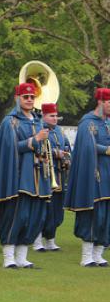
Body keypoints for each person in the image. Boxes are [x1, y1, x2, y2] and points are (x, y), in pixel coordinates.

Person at [0, 82, 52, 269]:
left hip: (37, 177)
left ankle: (22, 257)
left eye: (32, 97)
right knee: (16, 216)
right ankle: (9, 257)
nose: (30, 100)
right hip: (18, 177)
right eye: (26, 97)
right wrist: (35, 140)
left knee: (33, 217)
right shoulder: (10, 121)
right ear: (18, 98)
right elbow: (10, 148)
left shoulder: (38, 120)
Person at [65, 88, 110, 267]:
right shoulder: (87, 122)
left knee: (106, 215)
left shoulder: (107, 122)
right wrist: (106, 150)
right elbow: (86, 145)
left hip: (108, 175)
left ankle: (99, 254)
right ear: (100, 102)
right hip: (94, 174)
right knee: (93, 214)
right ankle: (87, 255)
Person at [33, 102, 71, 252]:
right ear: (44, 116)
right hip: (45, 176)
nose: (55, 119)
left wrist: (67, 158)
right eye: (51, 116)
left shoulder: (60, 132)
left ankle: (50, 240)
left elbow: (68, 148)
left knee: (56, 211)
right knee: (43, 211)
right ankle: (37, 241)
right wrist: (56, 153)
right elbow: (38, 150)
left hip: (59, 177)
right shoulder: (39, 130)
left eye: (56, 116)